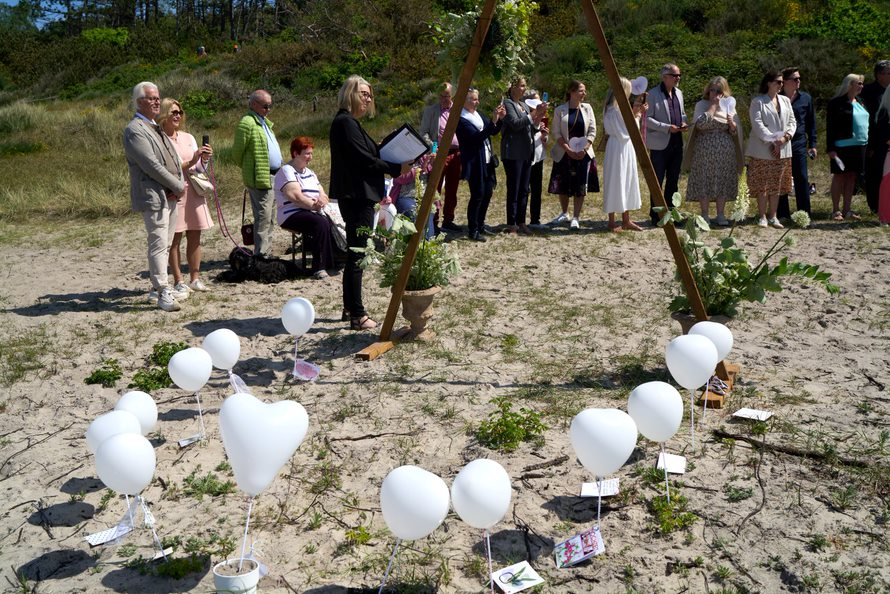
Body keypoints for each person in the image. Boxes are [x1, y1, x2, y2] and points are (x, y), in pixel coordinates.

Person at [329, 75, 409, 330]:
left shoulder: (350, 123)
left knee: (356, 252)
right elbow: (365, 160)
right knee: (358, 254)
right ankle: (357, 314)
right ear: (350, 93)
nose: (368, 99)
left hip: (359, 195)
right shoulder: (345, 123)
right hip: (357, 196)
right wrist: (396, 167)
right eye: (364, 93)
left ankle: (349, 307)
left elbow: (369, 153)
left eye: (370, 95)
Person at [123, 81, 186, 312]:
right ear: (139, 101)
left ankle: (158, 285)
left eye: (158, 97)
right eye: (151, 98)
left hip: (168, 194)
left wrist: (177, 183)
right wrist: (177, 184)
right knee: (158, 243)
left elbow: (171, 158)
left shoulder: (155, 126)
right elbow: (150, 165)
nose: (157, 101)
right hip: (154, 196)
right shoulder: (134, 130)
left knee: (166, 243)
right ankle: (162, 290)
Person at [157, 98, 214, 295]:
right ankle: (178, 280)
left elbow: (196, 167)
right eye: (173, 112)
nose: (177, 116)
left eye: (179, 112)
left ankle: (195, 278)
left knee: (195, 234)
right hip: (174, 191)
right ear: (164, 114)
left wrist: (203, 159)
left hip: (193, 190)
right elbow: (168, 168)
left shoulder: (188, 137)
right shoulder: (159, 139)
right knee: (175, 237)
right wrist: (192, 160)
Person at [274, 136, 338, 279]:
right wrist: (315, 205)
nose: (310, 157)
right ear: (296, 154)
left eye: (311, 154)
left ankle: (334, 259)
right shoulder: (287, 171)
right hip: (291, 213)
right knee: (320, 222)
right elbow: (295, 196)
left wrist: (322, 200)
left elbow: (323, 194)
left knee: (334, 220)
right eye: (307, 154)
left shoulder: (310, 173)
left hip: (310, 211)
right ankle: (319, 268)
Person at [682, 76, 744, 226]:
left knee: (722, 180)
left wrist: (732, 125)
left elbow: (736, 133)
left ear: (724, 92)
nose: (715, 93)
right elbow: (700, 125)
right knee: (704, 180)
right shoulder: (701, 105)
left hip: (725, 151)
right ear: (708, 91)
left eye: (719, 91)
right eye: (712, 90)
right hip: (704, 150)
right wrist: (713, 106)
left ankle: (721, 214)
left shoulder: (730, 106)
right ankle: (704, 214)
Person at [232, 89, 282, 258]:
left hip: (273, 176)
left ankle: (265, 251)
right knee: (263, 217)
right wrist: (251, 169)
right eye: (265, 106)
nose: (268, 109)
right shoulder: (247, 123)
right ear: (253, 104)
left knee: (270, 217)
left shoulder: (263, 121)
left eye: (270, 106)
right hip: (261, 177)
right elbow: (237, 153)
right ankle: (261, 254)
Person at [746, 71, 796, 228]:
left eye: (782, 82)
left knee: (777, 184)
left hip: (783, 148)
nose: (781, 85)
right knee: (763, 184)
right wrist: (773, 141)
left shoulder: (785, 101)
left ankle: (773, 216)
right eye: (778, 82)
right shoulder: (758, 102)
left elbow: (792, 122)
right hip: (763, 149)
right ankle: (762, 216)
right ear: (768, 83)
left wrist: (784, 138)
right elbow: (757, 124)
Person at [456, 87, 506, 242]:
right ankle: (473, 230)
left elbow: (493, 131)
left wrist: (500, 119)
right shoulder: (461, 119)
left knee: (487, 193)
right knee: (477, 195)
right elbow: (475, 138)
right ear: (465, 100)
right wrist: (493, 121)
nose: (477, 102)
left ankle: (481, 224)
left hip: (487, 160)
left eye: (477, 99)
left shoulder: (478, 115)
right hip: (474, 161)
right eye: (473, 99)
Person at [501, 76, 547, 234]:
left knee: (524, 189)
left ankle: (521, 221)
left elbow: (530, 128)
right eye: (521, 86)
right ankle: (511, 222)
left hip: (527, 152)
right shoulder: (507, 103)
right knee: (514, 188)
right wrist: (533, 114)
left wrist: (538, 120)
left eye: (524, 86)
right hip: (513, 152)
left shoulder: (523, 105)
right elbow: (515, 124)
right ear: (512, 88)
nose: (523, 89)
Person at [548, 80, 597, 230]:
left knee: (580, 184)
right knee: (563, 183)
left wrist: (585, 148)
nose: (584, 94)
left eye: (584, 91)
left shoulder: (587, 108)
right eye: (581, 91)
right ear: (572, 92)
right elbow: (556, 132)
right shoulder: (560, 110)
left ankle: (576, 217)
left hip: (583, 153)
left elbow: (593, 130)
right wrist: (568, 149)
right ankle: (564, 213)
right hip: (565, 152)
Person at [601, 77, 647, 232]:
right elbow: (628, 130)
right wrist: (638, 115)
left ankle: (626, 219)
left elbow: (628, 127)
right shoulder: (613, 110)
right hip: (617, 147)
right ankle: (612, 221)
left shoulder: (618, 108)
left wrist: (636, 112)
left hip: (625, 147)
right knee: (616, 180)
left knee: (626, 180)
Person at [645, 63, 687, 225]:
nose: (678, 78)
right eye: (675, 75)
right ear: (665, 77)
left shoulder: (680, 93)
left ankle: (672, 214)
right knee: (657, 180)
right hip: (659, 144)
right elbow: (646, 119)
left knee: (673, 180)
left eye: (679, 75)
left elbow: (682, 114)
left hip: (677, 143)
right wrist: (666, 128)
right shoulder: (653, 94)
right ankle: (656, 215)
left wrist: (683, 123)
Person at [419, 82, 462, 232]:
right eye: (442, 96)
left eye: (447, 96)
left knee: (452, 188)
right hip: (438, 154)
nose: (444, 99)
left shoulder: (457, 111)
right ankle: (434, 223)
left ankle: (448, 219)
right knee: (435, 189)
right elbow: (423, 133)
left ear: (453, 96)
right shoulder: (431, 111)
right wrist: (434, 149)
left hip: (456, 154)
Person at [826, 73, 868, 221]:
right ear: (850, 84)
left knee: (851, 177)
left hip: (860, 145)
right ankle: (836, 210)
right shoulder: (836, 103)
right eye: (859, 83)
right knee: (839, 176)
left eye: (862, 83)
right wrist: (830, 148)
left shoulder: (861, 101)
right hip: (841, 146)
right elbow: (830, 127)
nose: (861, 86)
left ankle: (847, 209)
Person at [777, 67, 817, 219]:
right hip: (781, 143)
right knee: (782, 177)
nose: (798, 81)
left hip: (799, 142)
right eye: (795, 79)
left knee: (801, 177)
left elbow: (811, 123)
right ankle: (782, 214)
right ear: (785, 81)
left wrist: (812, 144)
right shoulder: (776, 98)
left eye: (799, 78)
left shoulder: (806, 98)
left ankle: (804, 214)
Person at [861, 60, 890, 213]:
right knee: (874, 174)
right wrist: (871, 145)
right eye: (887, 73)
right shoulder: (868, 91)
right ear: (879, 75)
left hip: (889, 140)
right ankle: (875, 206)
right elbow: (866, 119)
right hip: (874, 140)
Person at [524, 89, 549, 228]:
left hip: (539, 156)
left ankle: (535, 220)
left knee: (537, 189)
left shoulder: (543, 117)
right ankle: (519, 220)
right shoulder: (525, 116)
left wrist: (545, 135)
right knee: (524, 190)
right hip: (526, 156)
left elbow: (544, 139)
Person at [874, 87, 890, 225]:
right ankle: (885, 217)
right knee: (887, 185)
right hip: (888, 153)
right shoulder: (884, 112)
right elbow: (884, 136)